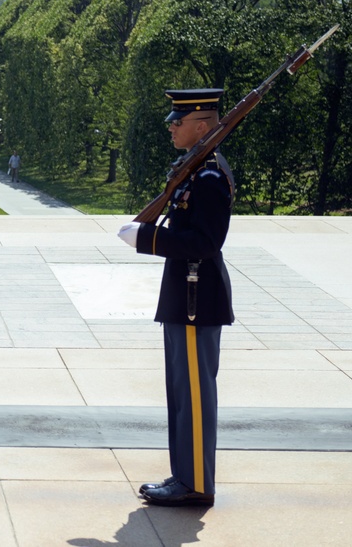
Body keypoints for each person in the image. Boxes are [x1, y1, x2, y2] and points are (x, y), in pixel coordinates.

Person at [117, 88, 234, 507]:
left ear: (202, 126)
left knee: (195, 398)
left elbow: (203, 241)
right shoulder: (194, 170)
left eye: (178, 121)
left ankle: (196, 484)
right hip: (185, 294)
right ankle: (186, 475)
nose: (171, 126)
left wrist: (148, 238)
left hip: (196, 299)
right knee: (182, 395)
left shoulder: (209, 177)